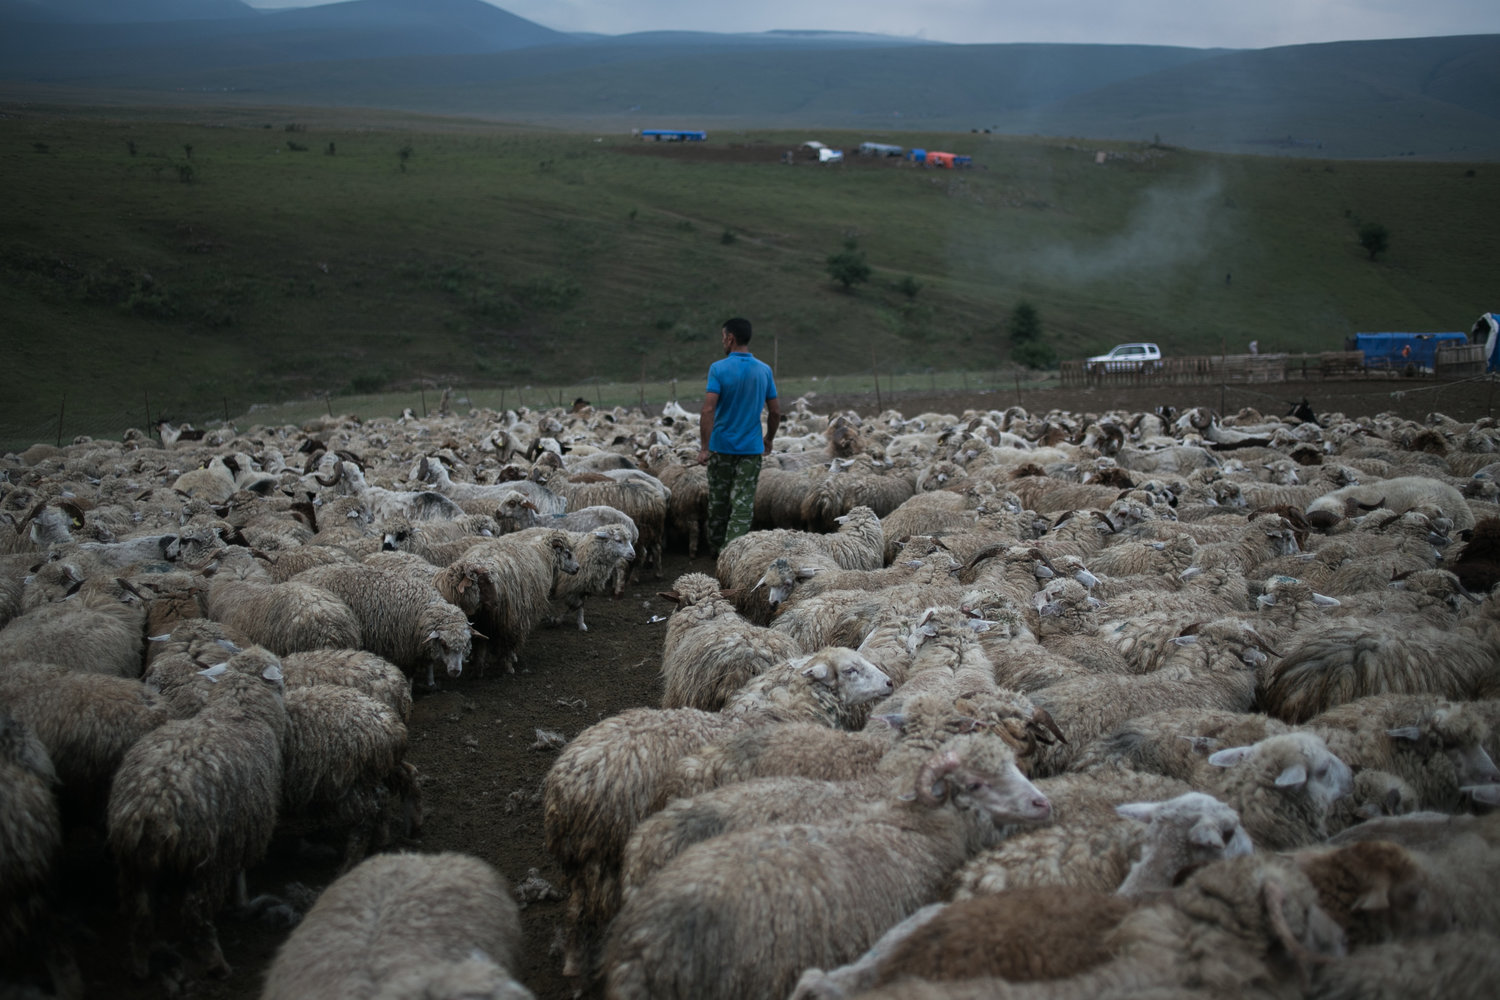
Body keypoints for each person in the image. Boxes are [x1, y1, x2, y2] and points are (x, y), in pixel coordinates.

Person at [698, 317, 780, 555]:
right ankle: (732, 553)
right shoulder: (764, 370)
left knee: (718, 502)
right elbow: (775, 411)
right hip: (751, 450)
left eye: (723, 337)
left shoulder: (718, 369)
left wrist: (704, 447)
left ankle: (716, 548)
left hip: (721, 448)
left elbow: (708, 409)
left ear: (730, 338)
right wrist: (769, 439)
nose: (723, 342)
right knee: (743, 505)